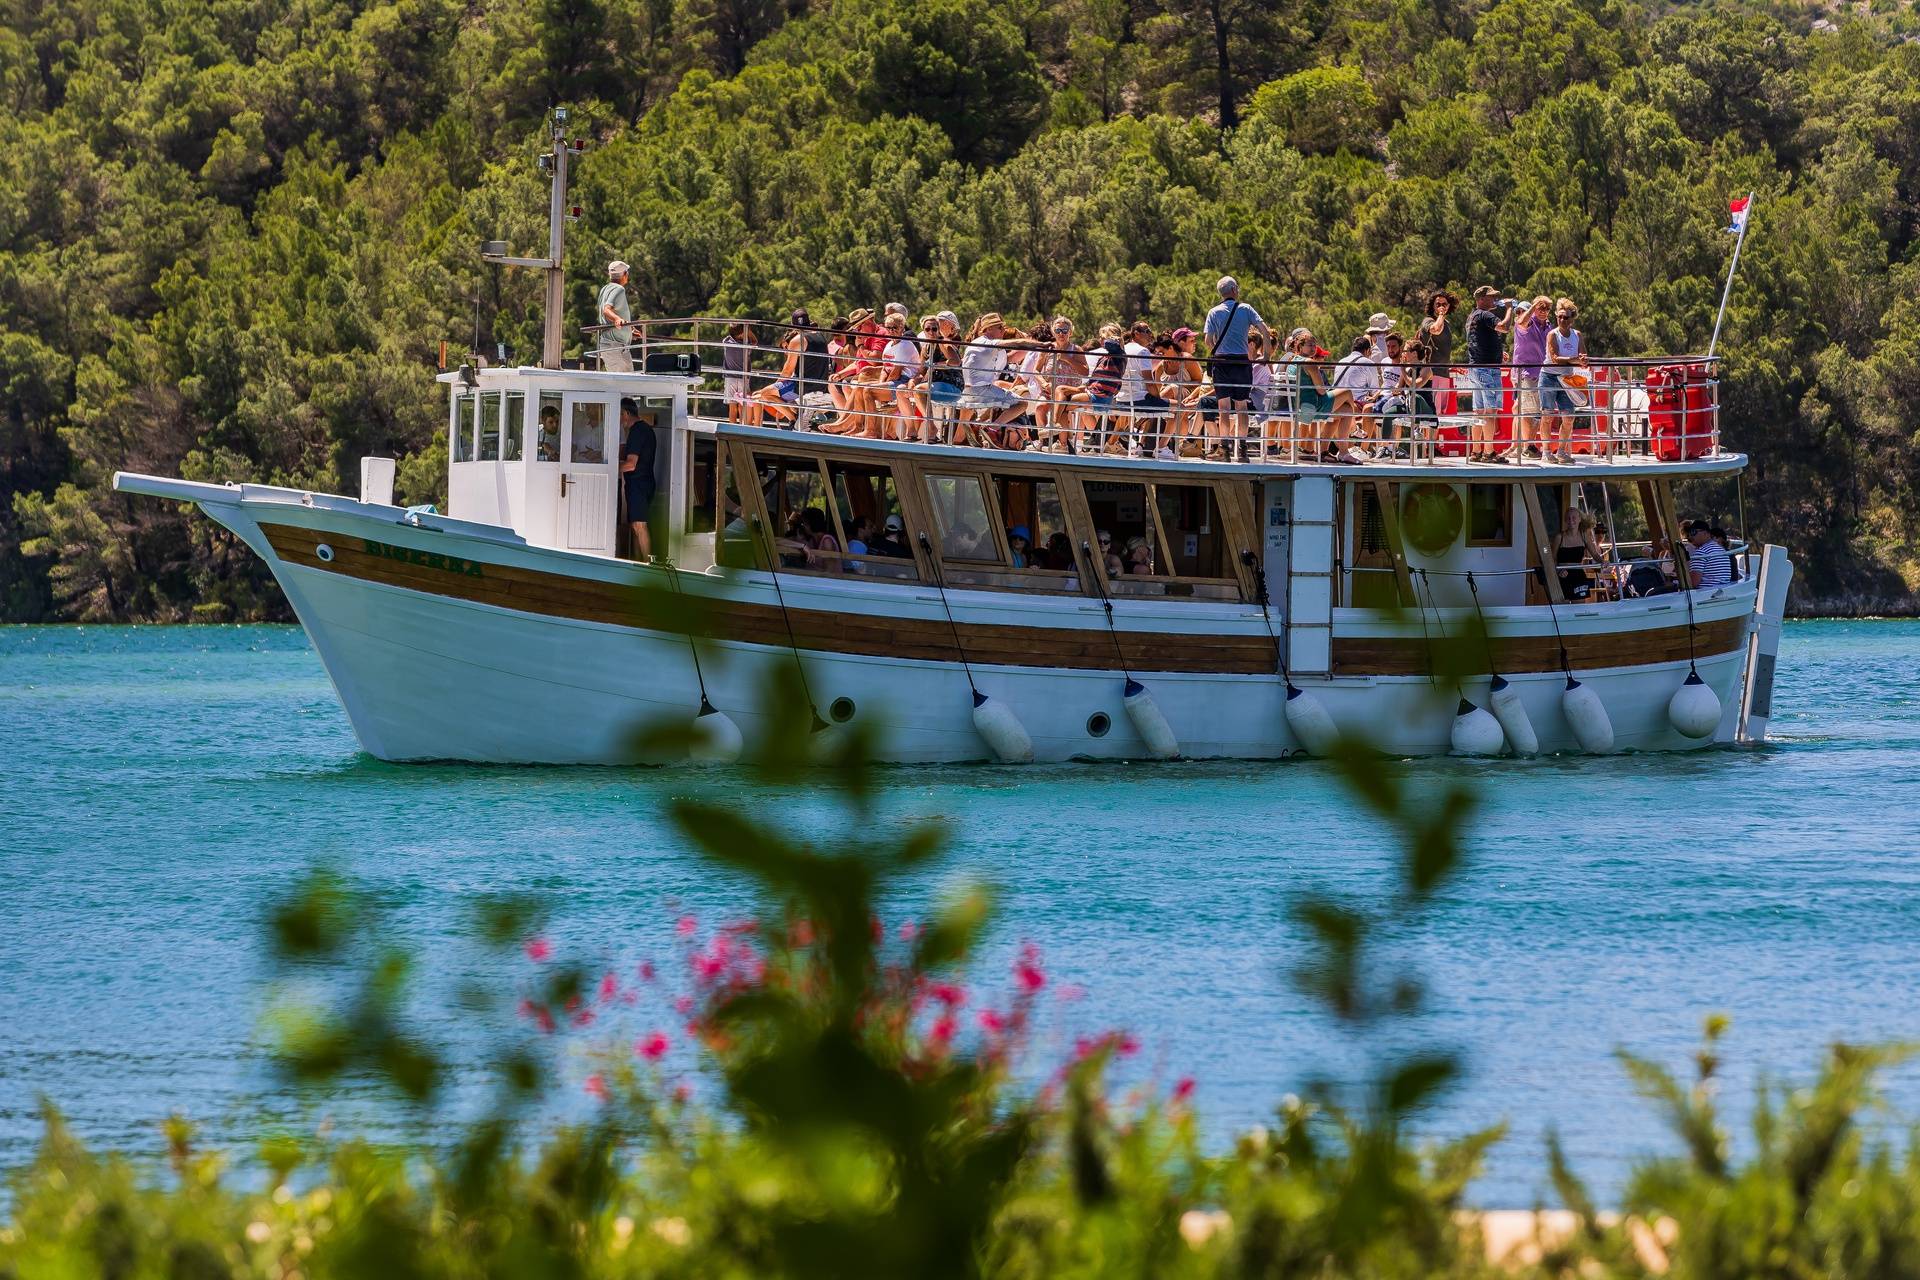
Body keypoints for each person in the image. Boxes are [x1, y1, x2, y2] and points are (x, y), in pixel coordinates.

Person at [1204, 277, 1272, 465]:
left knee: (1223, 408)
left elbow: (1208, 341)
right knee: (1241, 406)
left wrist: (1219, 345)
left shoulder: (1213, 312)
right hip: (1242, 362)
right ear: (1234, 289)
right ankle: (1242, 448)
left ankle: (1224, 449)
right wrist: (1265, 355)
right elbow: (1264, 331)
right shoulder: (1246, 309)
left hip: (1222, 363)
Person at [957, 312, 1034, 445]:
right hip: (981, 389)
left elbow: (1009, 358)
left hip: (968, 390)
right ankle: (991, 429)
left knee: (963, 426)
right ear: (989, 328)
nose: (1003, 330)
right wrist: (1039, 344)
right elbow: (1017, 343)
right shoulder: (990, 343)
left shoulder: (977, 344)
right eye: (1000, 327)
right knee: (1022, 403)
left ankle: (969, 433)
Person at [1465, 285, 1515, 462]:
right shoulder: (1485, 314)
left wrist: (1498, 353)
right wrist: (1509, 308)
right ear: (1481, 299)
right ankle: (1489, 452)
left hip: (1475, 368)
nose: (1494, 299)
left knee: (1478, 411)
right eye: (1491, 296)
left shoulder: (1472, 316)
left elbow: (1478, 340)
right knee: (1490, 411)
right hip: (1487, 369)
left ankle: (1476, 451)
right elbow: (1504, 327)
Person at [1505, 295, 1552, 462]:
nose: (1543, 311)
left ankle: (1526, 445)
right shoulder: (1526, 323)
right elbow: (1521, 322)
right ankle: (1525, 446)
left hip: (1542, 373)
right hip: (1526, 373)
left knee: (1535, 412)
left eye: (1546, 308)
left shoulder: (1547, 326)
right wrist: (1533, 306)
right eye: (1540, 308)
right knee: (1524, 411)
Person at [746, 310, 813, 427]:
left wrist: (772, 388)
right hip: (808, 385)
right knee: (759, 395)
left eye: (786, 347)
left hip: (800, 387)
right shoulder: (813, 340)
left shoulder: (797, 342)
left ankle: (793, 419)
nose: (785, 351)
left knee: (763, 394)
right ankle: (755, 425)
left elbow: (787, 373)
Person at [1540, 298, 1587, 462]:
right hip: (1549, 377)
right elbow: (1555, 358)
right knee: (1547, 415)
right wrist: (1576, 360)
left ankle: (1561, 451)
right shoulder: (1552, 334)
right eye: (1559, 317)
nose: (1562, 320)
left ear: (1572, 318)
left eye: (1565, 317)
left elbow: (1582, 356)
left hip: (1567, 378)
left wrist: (1583, 361)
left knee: (1568, 416)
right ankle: (1546, 452)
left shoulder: (1577, 335)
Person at [1332, 336, 1382, 458]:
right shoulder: (1368, 363)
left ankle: (1350, 449)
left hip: (1337, 403)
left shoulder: (1341, 361)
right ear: (1367, 350)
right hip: (1355, 405)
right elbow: (1375, 390)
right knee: (1370, 408)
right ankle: (1363, 450)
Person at [619, 398, 656, 560]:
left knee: (640, 526)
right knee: (635, 526)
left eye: (619, 415)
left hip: (639, 485)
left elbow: (631, 464)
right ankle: (637, 563)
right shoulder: (645, 429)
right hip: (642, 484)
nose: (619, 420)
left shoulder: (636, 432)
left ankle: (649, 564)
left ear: (626, 414)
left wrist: (608, 468)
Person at [1554, 507, 1604, 600]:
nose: (1571, 520)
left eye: (1574, 517)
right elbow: (1552, 559)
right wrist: (1558, 571)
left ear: (1579, 519)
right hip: (1562, 575)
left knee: (1578, 609)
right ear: (1565, 520)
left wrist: (1603, 561)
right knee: (1562, 609)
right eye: (1568, 518)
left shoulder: (1584, 536)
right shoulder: (1559, 537)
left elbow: (1595, 554)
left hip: (1578, 575)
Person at [597, 261, 635, 371]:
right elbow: (607, 310)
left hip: (613, 346)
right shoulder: (619, 289)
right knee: (625, 385)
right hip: (616, 347)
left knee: (626, 383)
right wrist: (617, 319)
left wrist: (629, 329)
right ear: (625, 274)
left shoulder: (605, 288)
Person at [1685, 520, 1732, 588]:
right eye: (1689, 533)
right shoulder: (1722, 550)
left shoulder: (1701, 552)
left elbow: (1692, 583)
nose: (1690, 536)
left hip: (1705, 595)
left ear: (1705, 533)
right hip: (1721, 591)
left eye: (1693, 532)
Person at [722, 322, 752, 422]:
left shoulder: (726, 342)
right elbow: (755, 341)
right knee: (743, 406)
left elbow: (730, 335)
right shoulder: (746, 345)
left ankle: (732, 427)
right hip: (743, 378)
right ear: (740, 334)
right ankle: (743, 429)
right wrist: (749, 331)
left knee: (732, 407)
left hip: (730, 378)